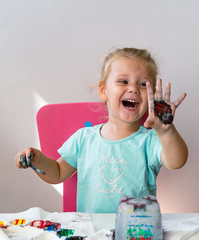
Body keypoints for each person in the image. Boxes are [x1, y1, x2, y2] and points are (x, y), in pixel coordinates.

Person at [14, 47, 188, 213]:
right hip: (92, 230)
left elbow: (176, 161)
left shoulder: (150, 140)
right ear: (104, 91)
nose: (133, 88)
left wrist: (166, 131)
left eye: (143, 84)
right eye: (123, 81)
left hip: (136, 229)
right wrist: (36, 159)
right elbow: (57, 173)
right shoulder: (84, 138)